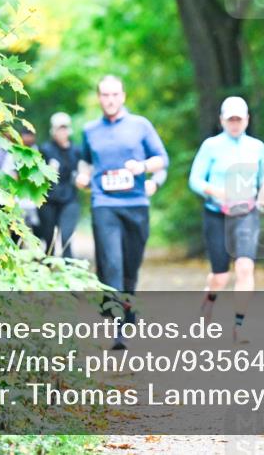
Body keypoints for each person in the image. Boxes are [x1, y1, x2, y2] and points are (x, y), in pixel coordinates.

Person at [81, 75, 169, 349]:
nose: (110, 100)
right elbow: (85, 162)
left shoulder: (140, 125)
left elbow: (161, 159)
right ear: (99, 98)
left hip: (136, 204)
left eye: (115, 95)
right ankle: (118, 328)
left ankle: (127, 306)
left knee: (131, 267)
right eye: (105, 95)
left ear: (123, 96)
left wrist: (142, 168)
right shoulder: (89, 130)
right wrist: (81, 177)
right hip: (104, 203)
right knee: (112, 264)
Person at [188, 96, 264, 343]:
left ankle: (240, 324)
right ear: (222, 121)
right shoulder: (211, 146)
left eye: (239, 119)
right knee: (220, 276)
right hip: (217, 214)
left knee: (245, 267)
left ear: (247, 120)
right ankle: (209, 298)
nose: (235, 124)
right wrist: (218, 192)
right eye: (230, 120)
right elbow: (195, 180)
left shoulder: (257, 147)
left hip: (246, 213)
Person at [37, 112, 87, 258]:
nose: (62, 132)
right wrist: (47, 172)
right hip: (48, 200)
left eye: (64, 128)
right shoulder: (45, 150)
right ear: (53, 130)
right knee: (49, 240)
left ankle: (69, 272)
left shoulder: (76, 151)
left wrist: (82, 177)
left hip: (70, 199)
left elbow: (84, 170)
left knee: (66, 238)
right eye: (59, 128)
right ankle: (48, 272)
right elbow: (36, 176)